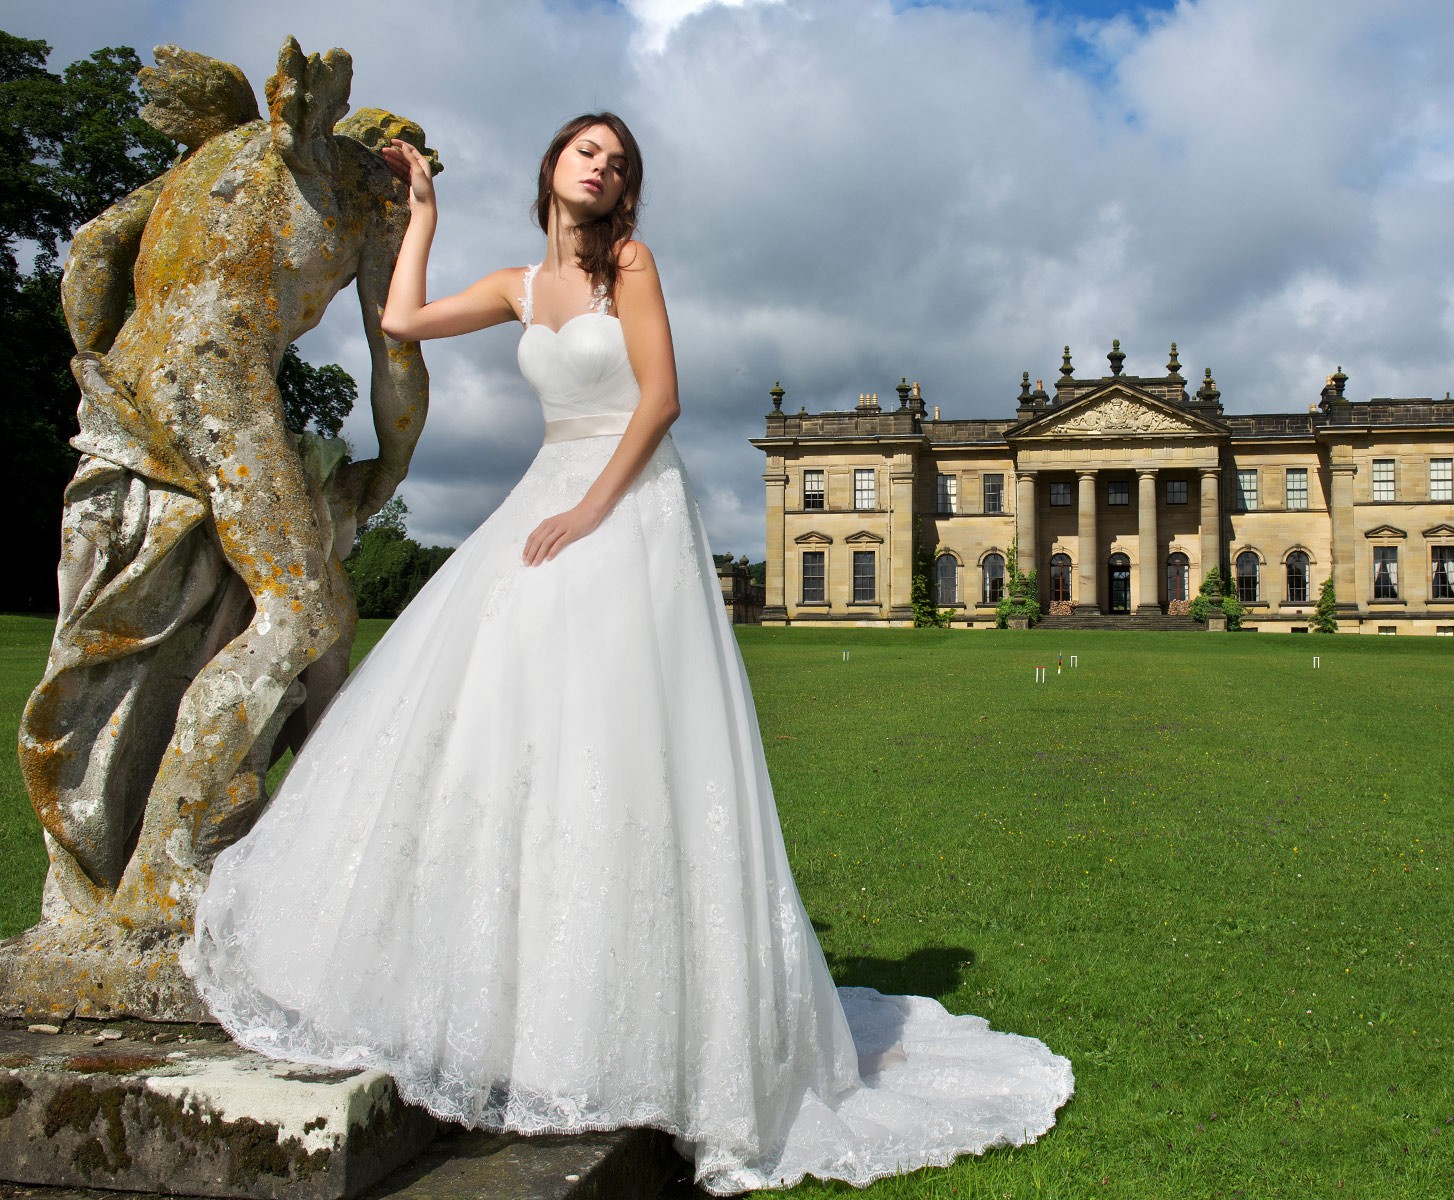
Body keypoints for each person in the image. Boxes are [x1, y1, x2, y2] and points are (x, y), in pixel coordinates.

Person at [186, 112, 1073, 1194]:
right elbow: (406, 318)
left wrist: (591, 511)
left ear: (624, 190)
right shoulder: (519, 284)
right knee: (502, 734)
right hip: (547, 497)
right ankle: (509, 1001)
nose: (600, 168)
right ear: (553, 167)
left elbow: (662, 400)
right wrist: (421, 213)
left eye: (617, 161)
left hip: (626, 506)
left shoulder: (630, 268)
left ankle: (624, 1026)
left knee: (617, 739)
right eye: (585, 152)